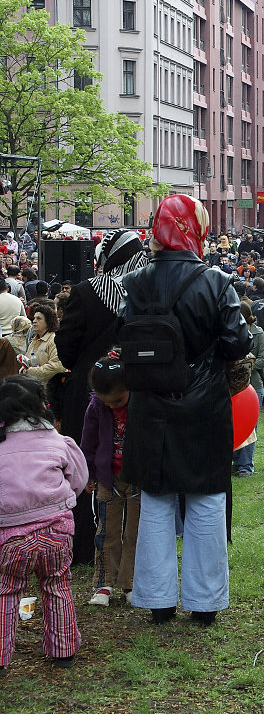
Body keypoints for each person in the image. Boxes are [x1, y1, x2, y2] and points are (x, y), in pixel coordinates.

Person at [119, 194, 252, 626]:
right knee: (206, 500)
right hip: (204, 404)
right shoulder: (216, 282)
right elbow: (238, 342)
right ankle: (205, 603)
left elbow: (125, 335)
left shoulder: (134, 282)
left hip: (151, 404)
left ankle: (157, 601)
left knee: (155, 501)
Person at [55, 229, 147, 563]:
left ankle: (82, 546)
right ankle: (132, 551)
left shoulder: (86, 292)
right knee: (130, 465)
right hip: (137, 392)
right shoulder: (149, 290)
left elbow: (66, 345)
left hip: (88, 389)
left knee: (84, 460)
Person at [0, 375, 88, 670]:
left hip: (10, 536)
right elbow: (78, 480)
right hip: (57, 531)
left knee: (7, 590)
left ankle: (0, 656)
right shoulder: (58, 441)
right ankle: (64, 652)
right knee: (57, 584)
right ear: (42, 405)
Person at [80, 354, 140, 607]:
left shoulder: (141, 403)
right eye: (107, 402)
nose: (113, 406)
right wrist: (89, 473)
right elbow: (88, 442)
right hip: (107, 478)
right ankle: (103, 583)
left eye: (117, 400)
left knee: (135, 532)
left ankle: (131, 583)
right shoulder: (96, 407)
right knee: (107, 531)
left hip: (138, 477)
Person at [232, 302, 264, 477]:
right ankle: (236, 461)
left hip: (254, 385)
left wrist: (245, 364)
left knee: (250, 428)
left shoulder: (258, 332)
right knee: (234, 425)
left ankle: (246, 465)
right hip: (234, 387)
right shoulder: (229, 331)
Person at [20, 302, 66, 386]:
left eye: (39, 319)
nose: (34, 321)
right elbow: (27, 360)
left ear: (48, 321)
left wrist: (30, 371)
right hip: (33, 386)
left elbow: (56, 367)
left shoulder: (54, 340)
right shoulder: (35, 340)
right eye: (34, 318)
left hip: (50, 389)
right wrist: (23, 369)